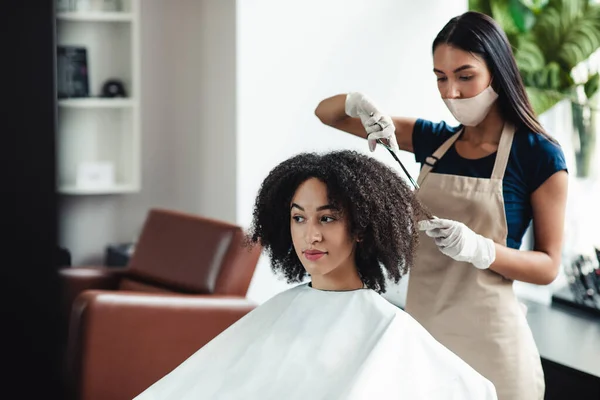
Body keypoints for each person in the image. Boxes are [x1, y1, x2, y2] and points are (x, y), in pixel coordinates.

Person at [314, 11, 568, 400]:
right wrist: (358, 102)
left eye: (465, 76)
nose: (451, 92)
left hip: (494, 349)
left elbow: (548, 267)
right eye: (440, 77)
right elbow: (326, 114)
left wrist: (479, 249)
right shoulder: (433, 141)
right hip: (423, 342)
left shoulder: (538, 155)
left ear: (497, 72)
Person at [133, 150, 497, 399]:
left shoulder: (386, 328)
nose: (311, 235)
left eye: (327, 217)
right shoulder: (277, 313)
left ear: (360, 227)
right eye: (298, 217)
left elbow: (474, 390)